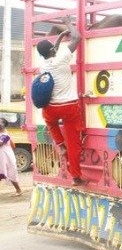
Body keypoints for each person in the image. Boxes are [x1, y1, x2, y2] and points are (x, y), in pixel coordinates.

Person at [36, 17, 86, 186]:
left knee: (50, 122)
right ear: (52, 50)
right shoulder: (62, 58)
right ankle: (76, 177)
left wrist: (58, 38)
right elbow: (77, 38)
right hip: (68, 107)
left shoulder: (43, 64)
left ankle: (59, 143)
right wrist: (68, 23)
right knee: (74, 143)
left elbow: (54, 50)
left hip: (51, 108)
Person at [0, 118, 22, 196]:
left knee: (11, 173)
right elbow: (13, 145)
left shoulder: (5, 135)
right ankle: (18, 190)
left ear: (3, 125)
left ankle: (18, 190)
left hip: (6, 157)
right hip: (3, 156)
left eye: (0, 122)